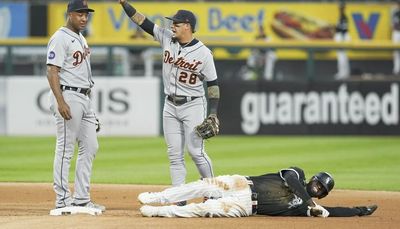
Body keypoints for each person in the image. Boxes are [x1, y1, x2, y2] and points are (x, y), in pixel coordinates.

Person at [118, 0, 219, 203]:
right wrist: (125, 5)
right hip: (170, 105)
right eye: (172, 23)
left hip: (193, 104)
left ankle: (213, 191)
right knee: (174, 154)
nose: (172, 26)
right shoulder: (166, 38)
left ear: (188, 26)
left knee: (196, 151)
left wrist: (213, 112)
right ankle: (178, 197)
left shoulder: (204, 53)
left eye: (176, 23)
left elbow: (213, 85)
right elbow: (142, 22)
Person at [46, 0, 105, 214]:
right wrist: (60, 101)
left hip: (84, 98)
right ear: (69, 14)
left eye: (86, 15)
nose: (84, 18)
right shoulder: (60, 37)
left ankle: (81, 198)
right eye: (79, 14)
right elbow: (52, 71)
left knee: (90, 146)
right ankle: (62, 200)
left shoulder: (81, 37)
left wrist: (88, 107)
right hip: (68, 94)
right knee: (65, 149)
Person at [137, 166, 378, 218]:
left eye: (320, 190)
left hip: (245, 208)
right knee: (201, 185)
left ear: (321, 194)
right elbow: (293, 181)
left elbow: (330, 212)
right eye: (317, 183)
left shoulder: (306, 208)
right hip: (242, 183)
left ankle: (159, 212)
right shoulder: (297, 173)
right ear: (312, 179)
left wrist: (357, 210)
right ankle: (158, 197)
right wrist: (310, 202)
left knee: (203, 209)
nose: (316, 188)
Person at [334, 2, 350, 80]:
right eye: (340, 8)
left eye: (341, 8)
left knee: (342, 56)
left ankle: (343, 73)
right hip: (341, 37)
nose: (340, 9)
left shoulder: (344, 17)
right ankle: (343, 73)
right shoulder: (341, 17)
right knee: (342, 56)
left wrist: (343, 40)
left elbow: (344, 30)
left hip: (342, 37)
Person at [392, 1, 400, 75]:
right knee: (396, 52)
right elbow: (392, 24)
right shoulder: (395, 13)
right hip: (396, 33)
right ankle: (396, 69)